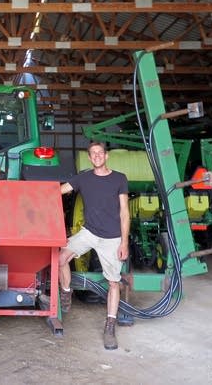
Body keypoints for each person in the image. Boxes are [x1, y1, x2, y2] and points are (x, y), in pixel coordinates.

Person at [59, 141, 130, 350]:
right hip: (89, 233)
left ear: (106, 156)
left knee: (113, 282)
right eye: (93, 154)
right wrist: (34, 194)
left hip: (113, 237)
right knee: (61, 257)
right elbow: (59, 191)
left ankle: (110, 326)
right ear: (89, 158)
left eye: (100, 153)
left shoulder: (119, 178)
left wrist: (124, 242)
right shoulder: (84, 178)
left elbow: (124, 212)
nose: (97, 156)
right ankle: (66, 293)